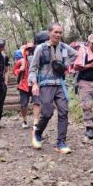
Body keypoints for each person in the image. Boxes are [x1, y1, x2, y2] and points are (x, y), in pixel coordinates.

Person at [29, 22, 77, 154]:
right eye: (55, 32)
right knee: (47, 112)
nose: (58, 35)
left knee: (64, 111)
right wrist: (34, 84)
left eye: (60, 32)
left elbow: (76, 55)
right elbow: (32, 69)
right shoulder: (40, 48)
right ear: (49, 33)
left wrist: (67, 65)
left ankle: (61, 142)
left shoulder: (64, 47)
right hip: (45, 84)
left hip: (60, 84)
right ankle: (37, 133)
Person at [13, 43, 41, 129]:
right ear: (25, 51)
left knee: (37, 103)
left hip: (35, 85)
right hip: (24, 86)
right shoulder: (21, 61)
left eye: (32, 50)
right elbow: (14, 71)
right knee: (23, 105)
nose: (30, 52)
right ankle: (24, 120)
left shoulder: (39, 60)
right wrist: (19, 70)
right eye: (29, 50)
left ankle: (35, 122)